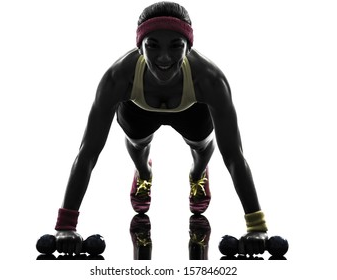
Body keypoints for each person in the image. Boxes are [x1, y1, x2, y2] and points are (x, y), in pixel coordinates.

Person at [54, 1, 268, 256]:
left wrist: (257, 226)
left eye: (175, 46)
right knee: (138, 144)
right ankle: (144, 173)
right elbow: (88, 152)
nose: (164, 57)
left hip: (192, 109)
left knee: (201, 146)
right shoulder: (118, 78)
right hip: (138, 109)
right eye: (153, 45)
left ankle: (198, 173)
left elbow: (234, 156)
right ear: (140, 46)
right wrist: (65, 226)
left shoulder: (210, 79)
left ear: (189, 47)